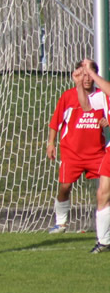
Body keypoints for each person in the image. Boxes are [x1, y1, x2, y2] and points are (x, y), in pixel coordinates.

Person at [46, 61, 107, 234]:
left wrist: (106, 122)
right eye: (84, 75)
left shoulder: (101, 96)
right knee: (65, 187)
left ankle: (104, 227)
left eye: (90, 75)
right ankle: (61, 223)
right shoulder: (68, 96)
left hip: (96, 152)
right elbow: (55, 122)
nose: (87, 79)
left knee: (105, 188)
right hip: (72, 153)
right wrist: (51, 143)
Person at [76, 59, 110, 253]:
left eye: (91, 74)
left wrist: (92, 73)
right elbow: (87, 105)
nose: (89, 77)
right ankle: (104, 241)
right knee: (102, 194)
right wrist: (80, 83)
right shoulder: (102, 96)